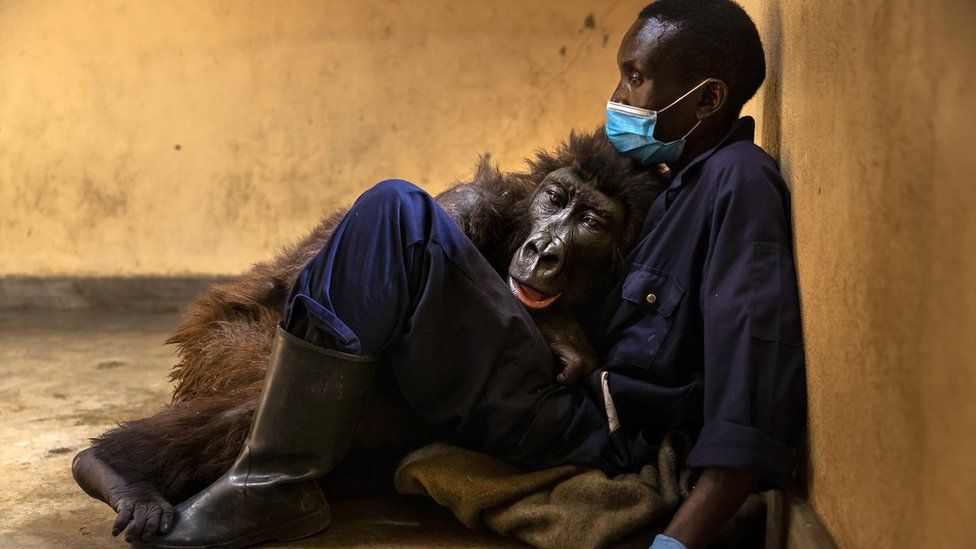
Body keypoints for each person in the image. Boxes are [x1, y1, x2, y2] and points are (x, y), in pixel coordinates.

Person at [142, 1, 806, 547]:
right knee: (411, 218)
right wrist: (565, 324)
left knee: (395, 212)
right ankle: (270, 463)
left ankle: (272, 483)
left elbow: (751, 376)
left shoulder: (737, 185)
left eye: (633, 77)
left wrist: (676, 542)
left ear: (708, 98)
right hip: (553, 383)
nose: (618, 95)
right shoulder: (669, 183)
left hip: (584, 426)